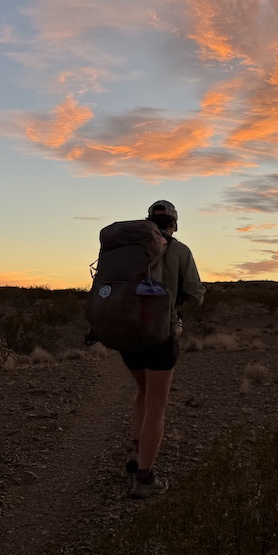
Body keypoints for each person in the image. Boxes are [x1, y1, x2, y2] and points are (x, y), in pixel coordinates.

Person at [119, 199, 205, 498]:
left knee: (143, 392)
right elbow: (195, 294)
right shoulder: (180, 251)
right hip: (160, 335)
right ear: (174, 224)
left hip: (126, 334)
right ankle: (145, 478)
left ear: (148, 221)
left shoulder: (128, 248)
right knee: (157, 402)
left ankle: (135, 450)